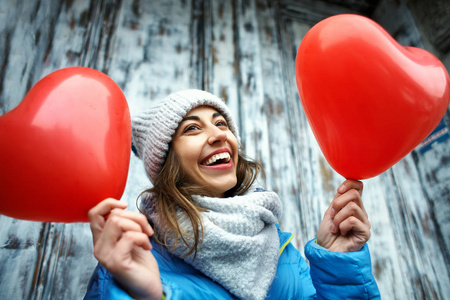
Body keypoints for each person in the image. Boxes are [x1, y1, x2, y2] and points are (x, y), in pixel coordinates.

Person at [84, 89, 380, 300]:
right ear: (165, 161)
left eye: (221, 123)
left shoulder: (276, 244)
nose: (218, 135)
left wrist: (339, 266)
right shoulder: (133, 252)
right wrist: (150, 297)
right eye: (191, 129)